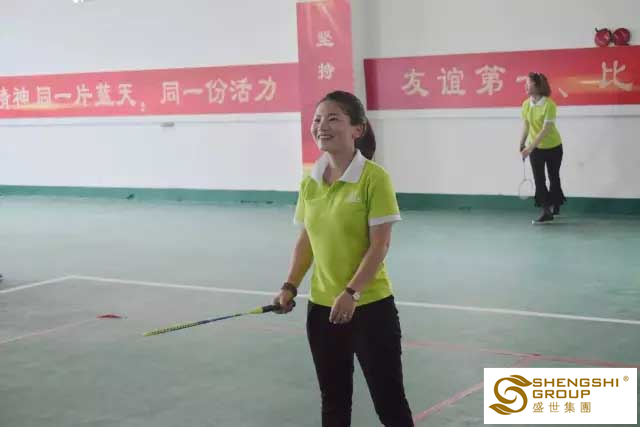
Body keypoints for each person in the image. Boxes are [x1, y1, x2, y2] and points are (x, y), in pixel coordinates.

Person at [274, 90, 414, 427]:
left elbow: (380, 245)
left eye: (333, 118)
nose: (321, 126)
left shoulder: (374, 178)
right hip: (322, 309)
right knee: (333, 402)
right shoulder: (310, 182)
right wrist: (290, 285)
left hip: (370, 307)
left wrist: (352, 292)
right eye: (317, 119)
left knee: (390, 403)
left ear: (357, 129)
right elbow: (306, 241)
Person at [519, 72, 566, 224]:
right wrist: (522, 143)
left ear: (538, 86)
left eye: (529, 84)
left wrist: (529, 148)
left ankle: (556, 203)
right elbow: (526, 127)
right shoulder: (526, 105)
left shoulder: (549, 105)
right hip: (536, 149)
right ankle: (546, 211)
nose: (525, 86)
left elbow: (545, 130)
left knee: (554, 177)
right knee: (539, 179)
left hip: (554, 147)